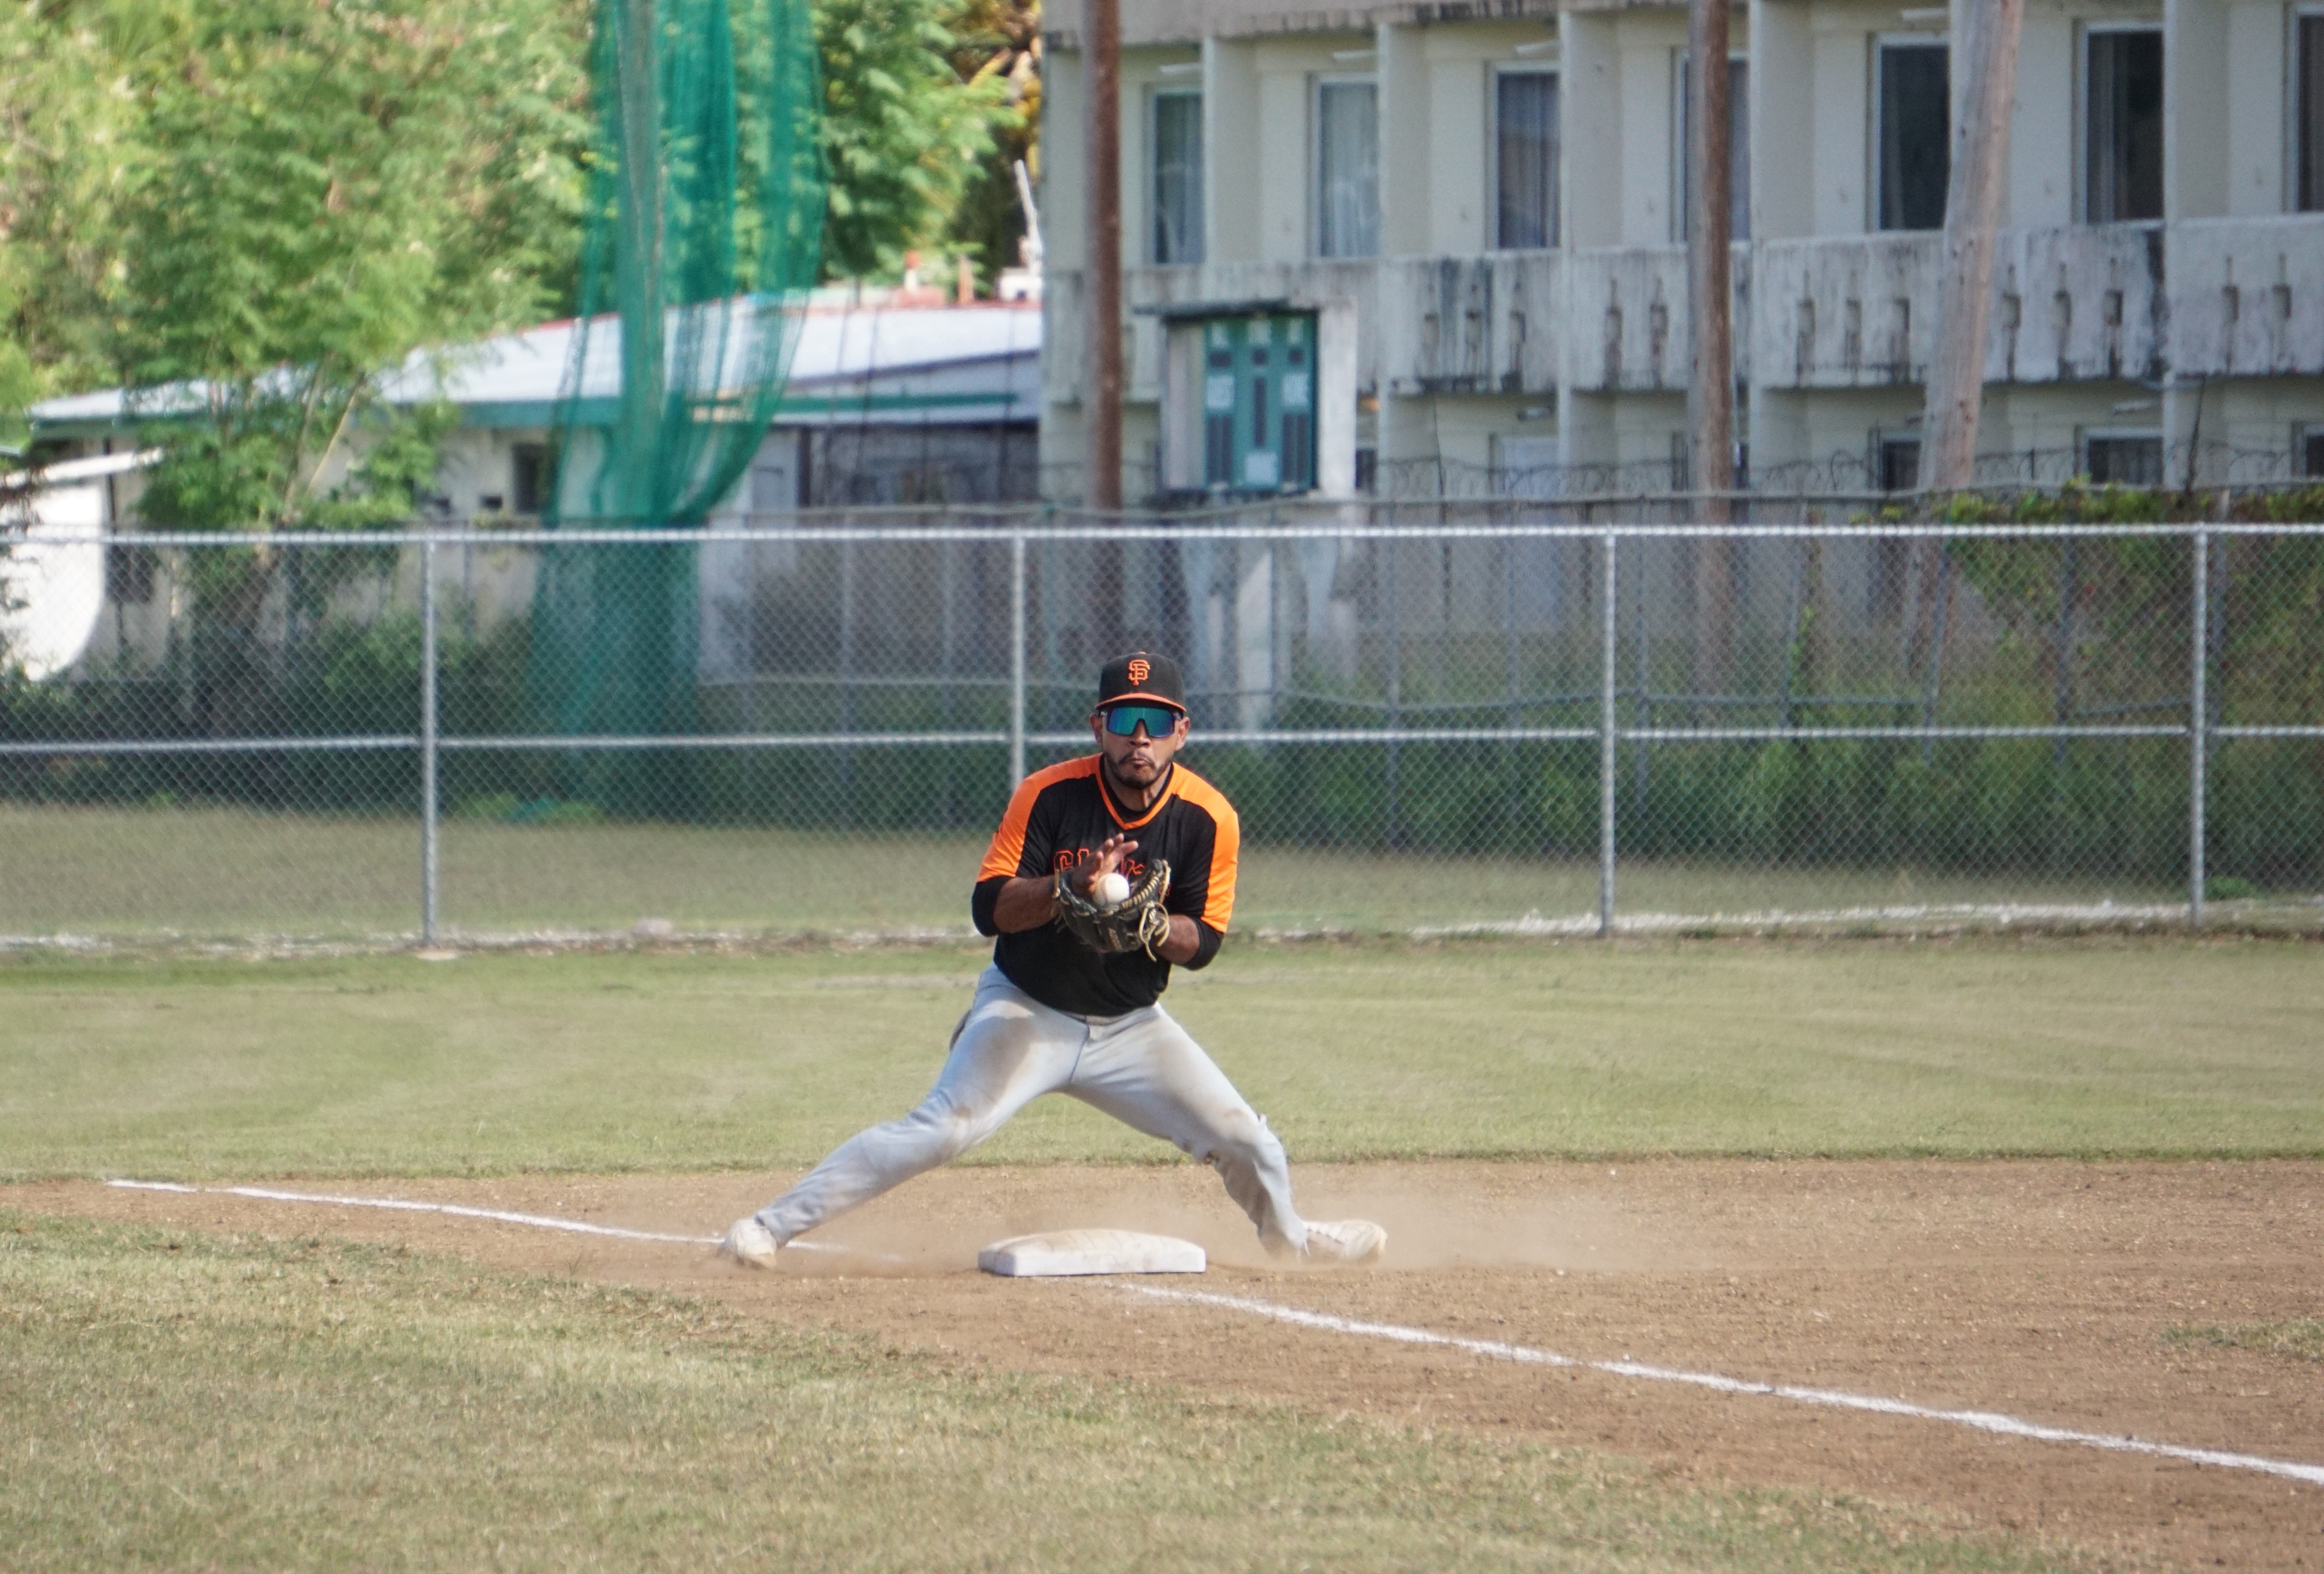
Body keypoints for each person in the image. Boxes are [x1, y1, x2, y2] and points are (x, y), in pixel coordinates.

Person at [720, 651, 1385, 1268]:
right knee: (943, 1129)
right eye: (1126, 719)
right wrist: (1066, 889)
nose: (1140, 738)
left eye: (1157, 721)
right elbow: (990, 909)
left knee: (1250, 1141)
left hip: (1130, 1025)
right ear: (1100, 727)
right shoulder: (1049, 795)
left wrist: (1152, 924)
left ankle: (1294, 1244)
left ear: (1182, 732)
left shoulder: (1209, 817)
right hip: (1027, 1007)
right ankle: (765, 1226)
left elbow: (1203, 941)